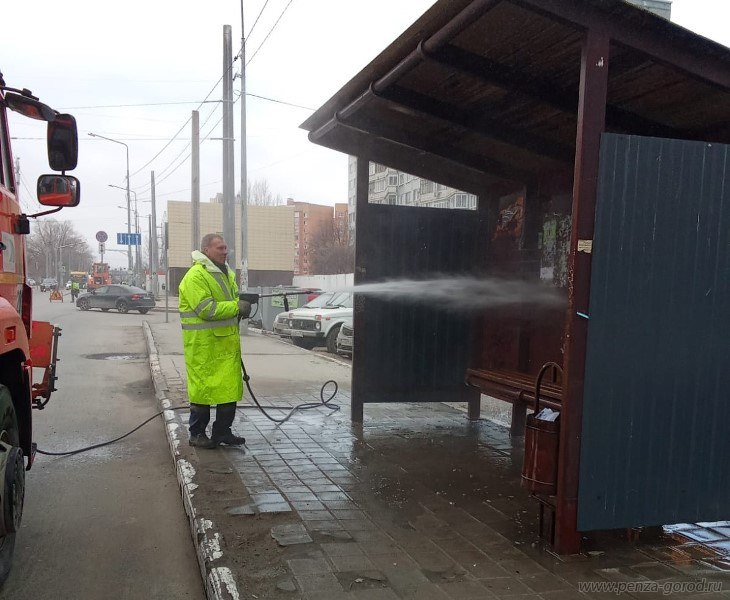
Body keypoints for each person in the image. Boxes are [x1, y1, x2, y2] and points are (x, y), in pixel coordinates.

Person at [178, 234, 251, 449]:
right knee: (203, 390)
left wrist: (242, 306)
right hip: (203, 346)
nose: (225, 251)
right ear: (206, 250)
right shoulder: (195, 276)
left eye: (226, 247)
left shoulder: (226, 272)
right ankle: (197, 434)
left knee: (228, 389)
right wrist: (238, 307)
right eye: (220, 248)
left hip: (225, 343)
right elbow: (206, 309)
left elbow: (233, 300)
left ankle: (222, 432)